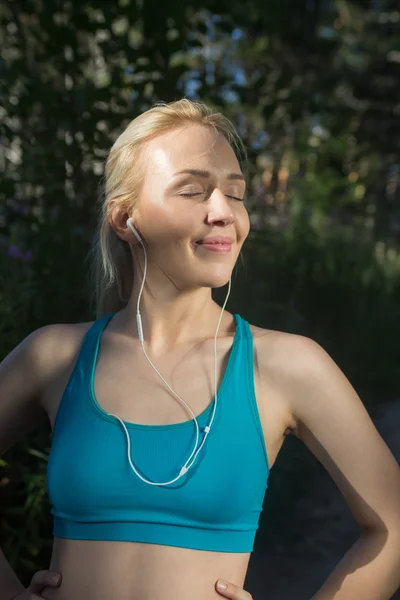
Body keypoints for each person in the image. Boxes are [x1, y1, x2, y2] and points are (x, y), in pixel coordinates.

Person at [0, 99, 399, 600]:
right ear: (126, 219)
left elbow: (393, 526)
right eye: (192, 191)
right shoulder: (54, 356)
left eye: (236, 194)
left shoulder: (284, 365)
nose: (223, 213)